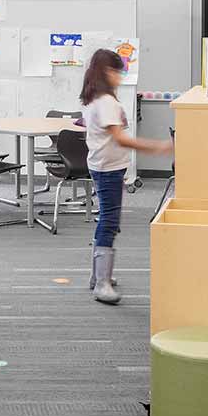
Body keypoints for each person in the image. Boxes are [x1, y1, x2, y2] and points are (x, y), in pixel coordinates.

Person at [79, 47, 171, 305]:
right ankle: (102, 283)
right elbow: (121, 138)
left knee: (108, 219)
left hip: (102, 166)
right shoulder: (106, 103)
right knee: (109, 221)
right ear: (107, 73)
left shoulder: (94, 99)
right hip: (108, 169)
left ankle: (98, 275)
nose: (120, 78)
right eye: (118, 73)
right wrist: (157, 147)